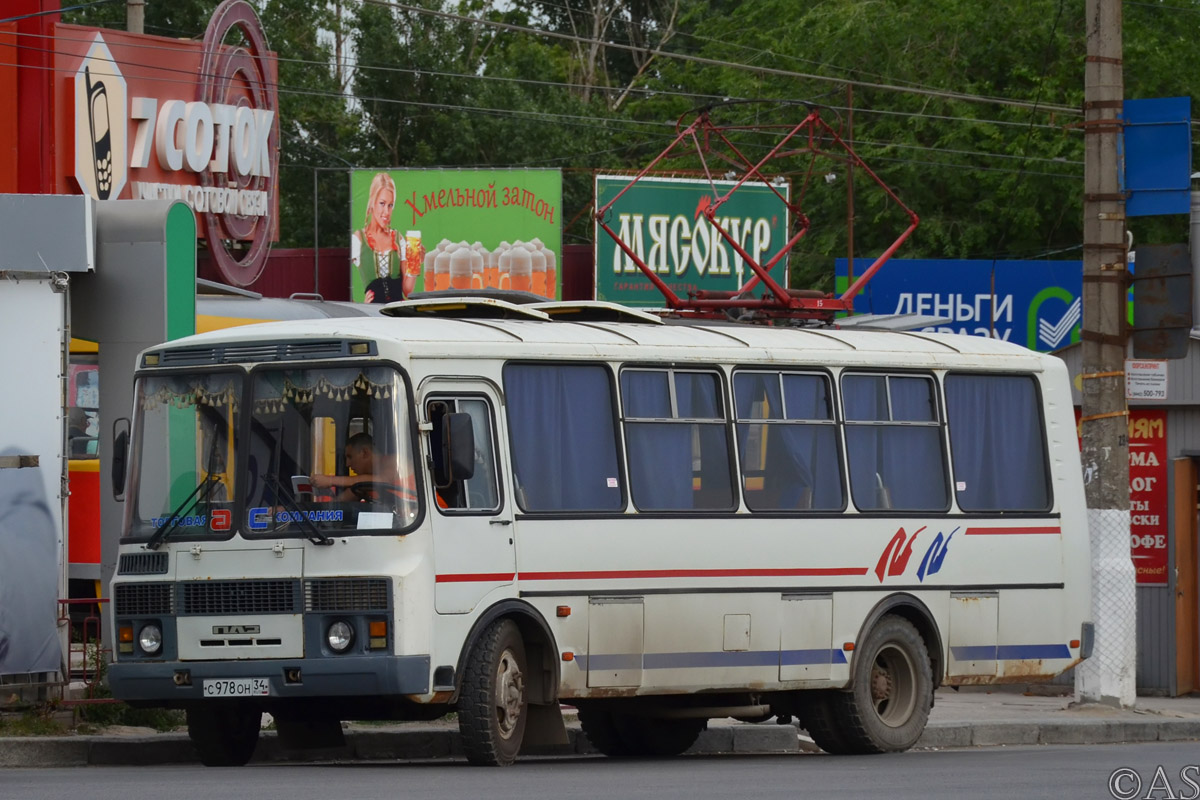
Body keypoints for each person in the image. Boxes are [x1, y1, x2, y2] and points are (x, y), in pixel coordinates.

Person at [351, 173, 415, 304]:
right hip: (373, 314)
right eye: (382, 203)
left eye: (390, 205)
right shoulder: (359, 239)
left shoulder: (398, 238)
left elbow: (408, 291)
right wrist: (357, 305)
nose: (386, 212)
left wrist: (415, 263)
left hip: (397, 312)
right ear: (372, 202)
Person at [310, 433, 403, 503]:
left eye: (350, 457)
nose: (347, 464)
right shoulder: (364, 483)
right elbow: (340, 501)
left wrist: (330, 480)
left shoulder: (394, 461)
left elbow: (383, 480)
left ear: (364, 452)